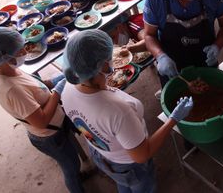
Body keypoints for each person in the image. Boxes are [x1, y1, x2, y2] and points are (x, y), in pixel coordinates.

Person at [61, 30, 194, 193]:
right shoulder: (118, 110)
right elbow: (142, 154)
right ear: (103, 65)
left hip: (101, 153)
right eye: (110, 56)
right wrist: (173, 119)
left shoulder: (67, 88)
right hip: (129, 166)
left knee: (123, 184)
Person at [0, 28, 84, 193]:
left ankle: (77, 177)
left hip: (57, 123)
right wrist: (58, 90)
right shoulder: (11, 89)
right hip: (49, 136)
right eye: (19, 50)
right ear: (5, 56)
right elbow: (41, 122)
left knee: (73, 159)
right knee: (71, 167)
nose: (24, 51)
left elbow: (37, 86)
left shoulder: (10, 69)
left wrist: (58, 79)